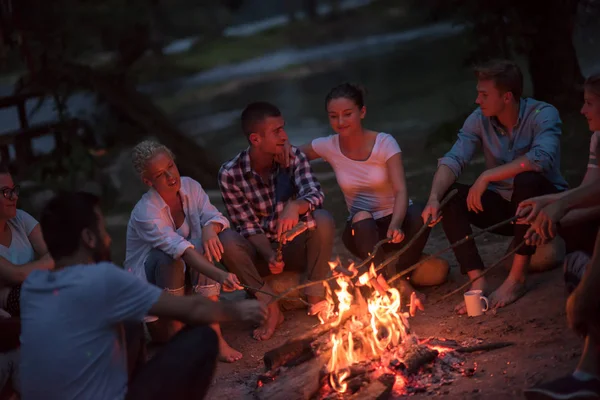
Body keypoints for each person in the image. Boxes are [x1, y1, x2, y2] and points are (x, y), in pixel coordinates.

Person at [19, 191, 267, 400]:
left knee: (131, 321)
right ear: (88, 237)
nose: (107, 238)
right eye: (102, 229)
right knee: (203, 337)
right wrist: (237, 310)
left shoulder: (33, 285)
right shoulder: (102, 279)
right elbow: (192, 310)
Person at [421, 59, 569, 313]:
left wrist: (487, 175)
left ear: (507, 97)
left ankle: (517, 279)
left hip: (544, 205)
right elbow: (453, 159)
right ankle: (477, 281)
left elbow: (540, 159)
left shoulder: (543, 114)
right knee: (450, 195)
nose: (478, 100)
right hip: (505, 209)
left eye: (484, 94)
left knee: (526, 179)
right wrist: (434, 197)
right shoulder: (478, 120)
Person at [280, 83, 444, 307]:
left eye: (347, 114)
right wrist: (277, 140)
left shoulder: (385, 143)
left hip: (397, 223)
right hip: (362, 231)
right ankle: (401, 286)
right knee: (362, 217)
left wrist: (396, 224)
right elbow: (292, 154)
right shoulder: (329, 146)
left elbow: (401, 190)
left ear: (362, 112)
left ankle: (388, 274)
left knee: (421, 215)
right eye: (333, 116)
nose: (340, 122)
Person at [218, 101, 335, 341]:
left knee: (322, 219)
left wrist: (295, 205)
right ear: (255, 139)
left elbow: (315, 194)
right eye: (276, 131)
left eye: (283, 128)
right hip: (259, 254)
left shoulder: (293, 157)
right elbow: (246, 225)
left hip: (292, 246)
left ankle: (315, 293)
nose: (284, 136)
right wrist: (269, 254)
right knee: (226, 240)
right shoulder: (230, 174)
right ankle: (268, 304)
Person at [125, 140, 246, 362]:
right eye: (160, 174)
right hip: (161, 311)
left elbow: (215, 216)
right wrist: (221, 275)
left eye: (170, 166)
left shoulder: (190, 187)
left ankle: (216, 339)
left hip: (189, 296)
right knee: (168, 256)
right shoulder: (145, 212)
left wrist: (210, 228)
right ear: (147, 181)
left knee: (201, 242)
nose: (171, 177)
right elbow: (182, 251)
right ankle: (180, 343)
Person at [520, 73, 600, 399]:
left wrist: (561, 205)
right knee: (570, 229)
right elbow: (590, 193)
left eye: (590, 103)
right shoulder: (598, 138)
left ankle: (588, 374)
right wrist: (548, 206)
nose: (582, 110)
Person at [0, 164, 53, 318]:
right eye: (5, 192)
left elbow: (57, 252)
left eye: (14, 190)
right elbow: (17, 275)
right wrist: (45, 265)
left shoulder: (20, 218)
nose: (14, 196)